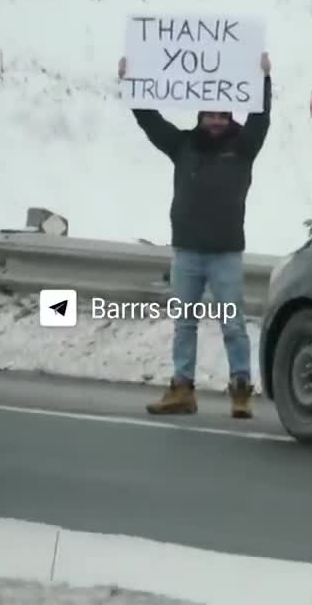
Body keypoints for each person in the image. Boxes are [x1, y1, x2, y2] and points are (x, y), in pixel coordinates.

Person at [119, 53, 273, 418]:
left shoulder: (243, 147)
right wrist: (132, 81)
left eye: (222, 115)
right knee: (183, 323)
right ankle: (182, 390)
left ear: (230, 117)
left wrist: (264, 79)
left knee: (233, 325)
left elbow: (262, 118)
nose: (216, 122)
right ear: (201, 117)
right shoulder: (183, 145)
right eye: (210, 115)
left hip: (225, 253)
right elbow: (149, 120)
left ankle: (240, 391)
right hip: (186, 252)